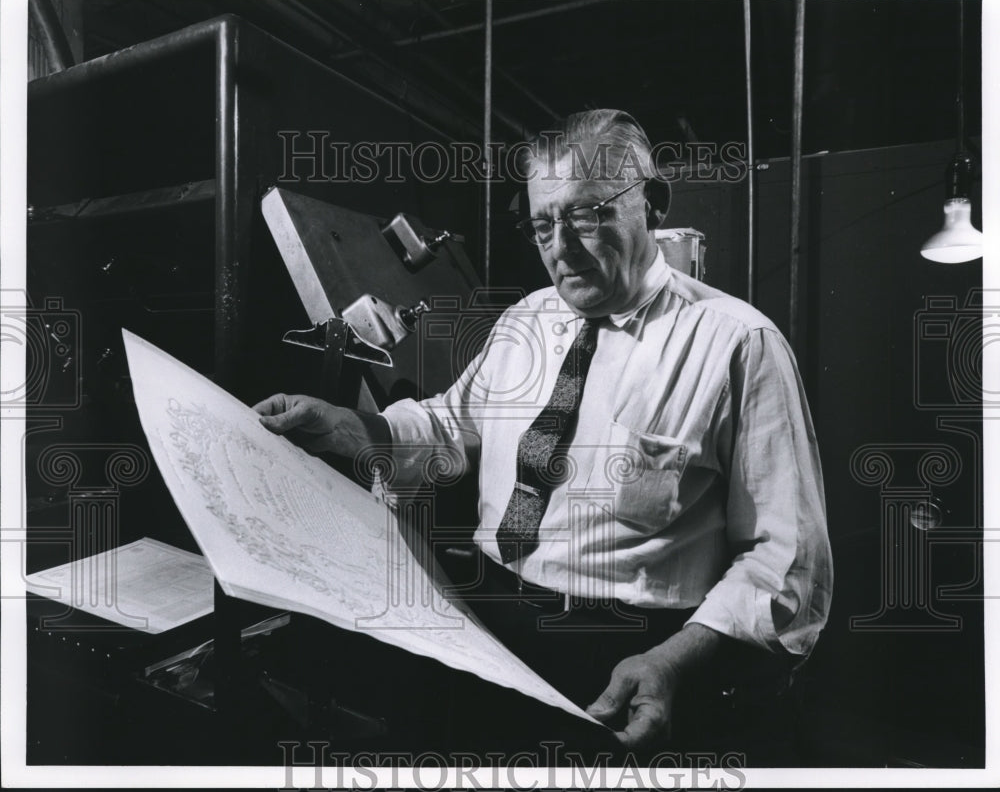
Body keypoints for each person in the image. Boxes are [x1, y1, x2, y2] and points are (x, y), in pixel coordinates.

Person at [254, 109, 833, 752]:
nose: (561, 246)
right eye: (542, 224)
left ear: (654, 203)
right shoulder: (524, 322)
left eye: (587, 214)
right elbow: (447, 426)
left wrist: (674, 662)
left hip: (629, 662)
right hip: (491, 632)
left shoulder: (738, 343)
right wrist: (345, 426)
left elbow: (785, 562)